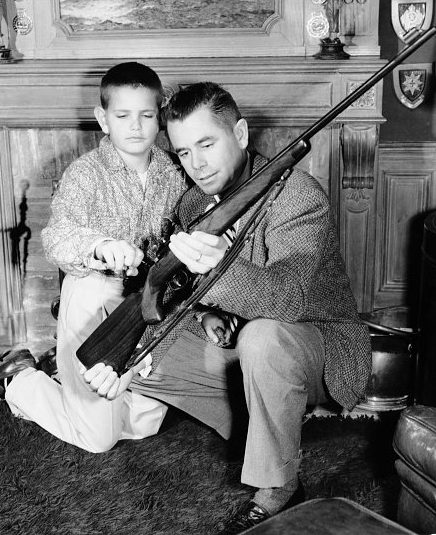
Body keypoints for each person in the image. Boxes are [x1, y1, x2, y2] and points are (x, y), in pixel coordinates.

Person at [83, 81, 371, 533]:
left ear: (239, 133)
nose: (196, 164)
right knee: (137, 352)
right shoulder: (193, 204)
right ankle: (262, 423)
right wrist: (185, 324)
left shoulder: (297, 195)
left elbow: (289, 299)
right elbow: (173, 294)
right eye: (181, 152)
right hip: (238, 344)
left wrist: (220, 267)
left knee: (262, 337)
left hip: (314, 344)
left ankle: (279, 488)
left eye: (206, 143)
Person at [0, 62, 188, 454]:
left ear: (160, 119)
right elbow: (57, 237)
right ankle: (18, 381)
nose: (135, 126)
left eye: (147, 116)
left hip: (145, 304)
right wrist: (100, 246)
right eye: (122, 116)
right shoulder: (84, 174)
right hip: (91, 296)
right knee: (100, 440)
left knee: (143, 424)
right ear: (103, 120)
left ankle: (62, 374)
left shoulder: (172, 171)